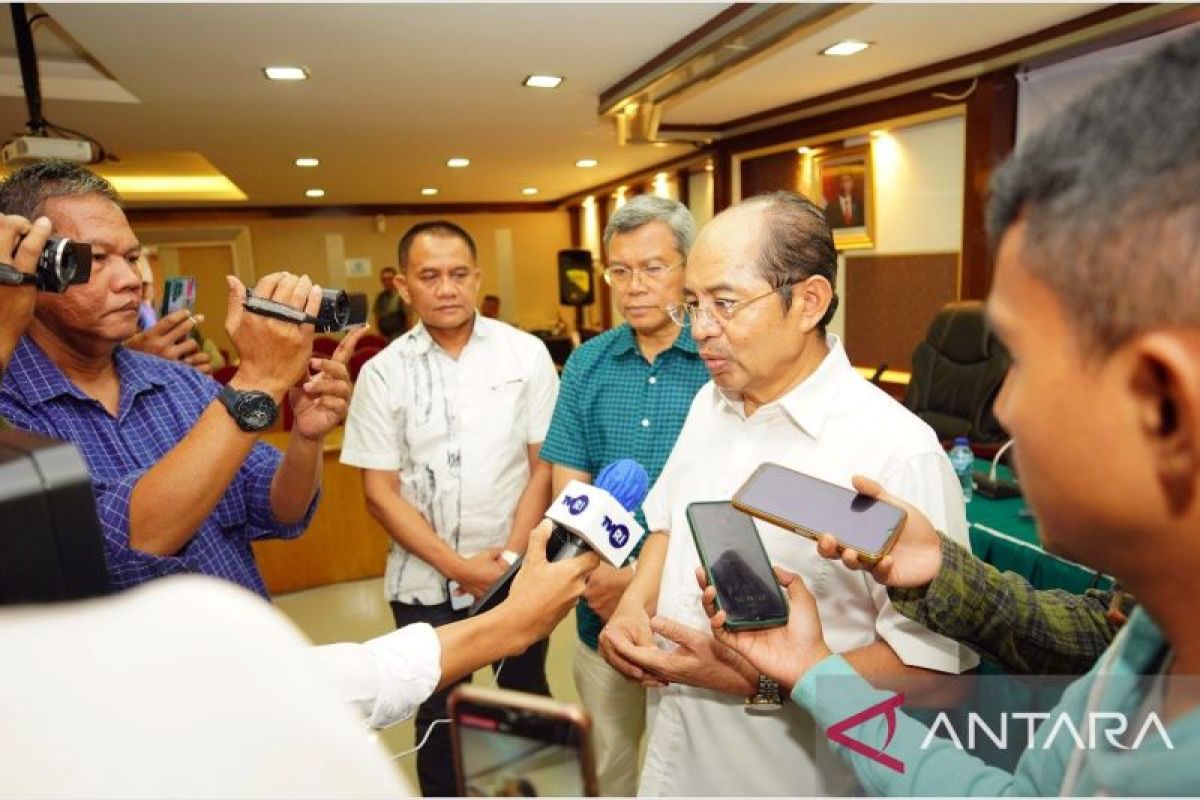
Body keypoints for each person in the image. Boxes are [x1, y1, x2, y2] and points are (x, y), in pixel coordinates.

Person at [701, 31, 1200, 796]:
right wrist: (821, 669)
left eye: (1026, 360)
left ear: (1164, 404)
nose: (1004, 404)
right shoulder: (1148, 635)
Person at [599, 190, 977, 796]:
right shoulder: (710, 403)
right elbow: (669, 523)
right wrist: (632, 606)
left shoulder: (896, 454)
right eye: (691, 305)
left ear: (809, 301)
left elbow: (937, 673)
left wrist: (755, 679)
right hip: (675, 764)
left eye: (724, 305)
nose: (700, 331)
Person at [0, 160, 357, 597]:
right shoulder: (11, 409)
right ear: (34, 262)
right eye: (95, 258)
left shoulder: (180, 383)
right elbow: (120, 548)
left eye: (132, 258)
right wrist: (258, 382)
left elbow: (279, 509)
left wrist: (307, 439)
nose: (132, 280)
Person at [341, 219, 559, 797]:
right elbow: (379, 493)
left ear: (478, 278)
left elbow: (545, 466)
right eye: (429, 276)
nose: (446, 288)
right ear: (403, 286)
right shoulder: (383, 371)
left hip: (519, 572)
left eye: (458, 274)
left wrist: (512, 558)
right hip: (424, 587)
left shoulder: (526, 353)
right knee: (439, 717)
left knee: (523, 708)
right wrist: (463, 569)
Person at [538, 195, 709, 796]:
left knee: (691, 778)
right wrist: (605, 581)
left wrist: (644, 581)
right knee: (608, 772)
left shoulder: (721, 361)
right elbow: (569, 497)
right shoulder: (586, 364)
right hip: (602, 612)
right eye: (620, 270)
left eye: (654, 267)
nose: (634, 286)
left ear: (689, 269)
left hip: (699, 622)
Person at [373, 265, 407, 338]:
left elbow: (408, 318)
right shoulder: (380, 297)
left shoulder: (402, 296)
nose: (387, 282)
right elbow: (377, 316)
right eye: (384, 279)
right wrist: (379, 334)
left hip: (400, 336)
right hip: (384, 336)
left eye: (389, 279)